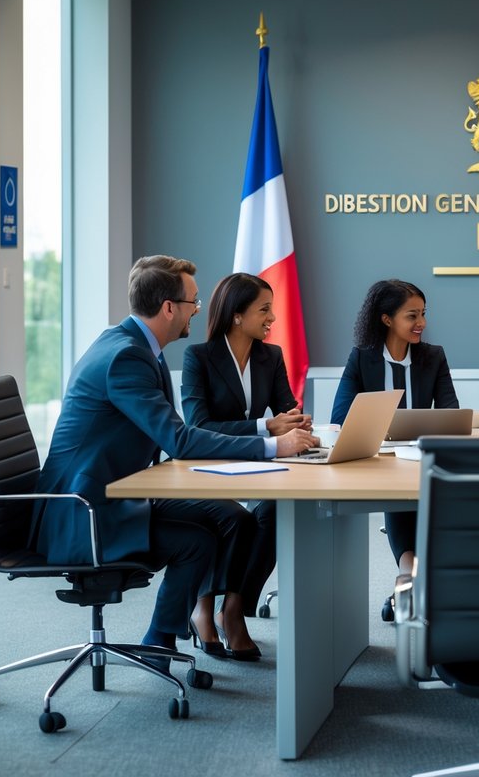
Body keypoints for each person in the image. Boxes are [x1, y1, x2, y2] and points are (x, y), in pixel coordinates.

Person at [36, 256, 317, 667]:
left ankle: (173, 634)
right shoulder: (127, 357)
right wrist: (274, 446)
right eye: (193, 303)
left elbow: (173, 437)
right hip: (86, 509)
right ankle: (160, 641)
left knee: (228, 518)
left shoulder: (130, 345)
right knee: (196, 539)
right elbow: (181, 439)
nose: (197, 311)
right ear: (169, 307)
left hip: (120, 488)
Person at [182, 272, 313, 659]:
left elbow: (287, 407)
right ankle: (203, 608)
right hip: (206, 466)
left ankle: (235, 608)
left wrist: (298, 423)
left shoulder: (269, 356)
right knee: (225, 515)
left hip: (255, 467)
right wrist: (264, 427)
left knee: (275, 510)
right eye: (265, 309)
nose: (273, 317)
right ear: (237, 315)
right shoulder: (199, 358)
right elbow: (197, 426)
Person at [331, 279, 458, 579]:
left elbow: (451, 413)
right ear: (387, 319)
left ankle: (410, 571)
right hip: (377, 459)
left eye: (423, 314)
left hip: (420, 457)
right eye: (412, 316)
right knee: (400, 488)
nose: (422, 323)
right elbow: (340, 416)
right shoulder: (362, 357)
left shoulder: (434, 356)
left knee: (420, 485)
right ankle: (410, 569)